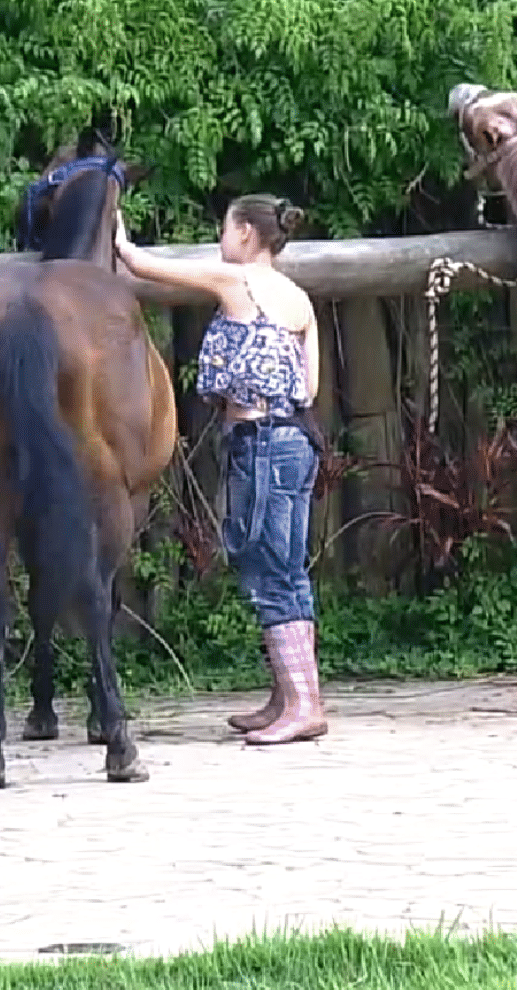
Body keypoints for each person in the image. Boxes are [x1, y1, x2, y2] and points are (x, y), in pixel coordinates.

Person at [113, 193, 329, 744]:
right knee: (289, 569)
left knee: (266, 569)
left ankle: (303, 705)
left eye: (225, 230)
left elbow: (141, 265)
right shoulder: (299, 298)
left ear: (246, 236)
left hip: (260, 441)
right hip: (296, 440)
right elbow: (310, 388)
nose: (220, 240)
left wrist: (113, 229)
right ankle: (292, 696)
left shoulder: (239, 283)